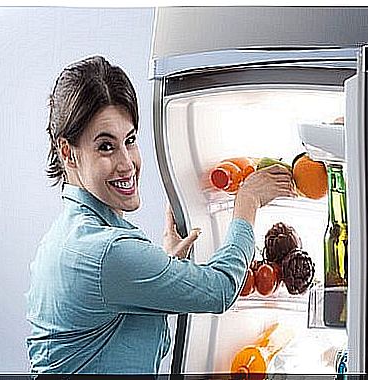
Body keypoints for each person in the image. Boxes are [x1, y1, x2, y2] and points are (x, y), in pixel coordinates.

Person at [25, 55, 296, 374]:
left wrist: (165, 267)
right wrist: (247, 201)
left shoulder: (66, 238)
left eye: (130, 140)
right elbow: (220, 289)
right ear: (68, 152)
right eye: (106, 147)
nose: (127, 163)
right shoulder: (107, 253)